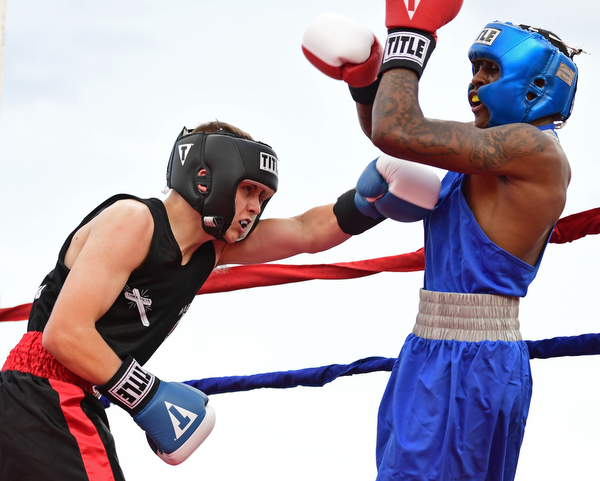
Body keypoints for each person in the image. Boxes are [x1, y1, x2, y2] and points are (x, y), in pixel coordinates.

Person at [0, 119, 444, 480]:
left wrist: (370, 202)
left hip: (68, 398)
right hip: (43, 392)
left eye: (263, 197)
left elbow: (307, 232)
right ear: (207, 176)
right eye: (249, 189)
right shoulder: (133, 220)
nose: (255, 206)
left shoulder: (213, 249)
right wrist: (148, 396)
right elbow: (64, 334)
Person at [302, 2, 583, 480]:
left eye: (490, 70)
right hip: (430, 349)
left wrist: (411, 33)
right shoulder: (489, 153)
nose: (475, 82)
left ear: (536, 85)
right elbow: (387, 132)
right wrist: (366, 83)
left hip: (474, 361)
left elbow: (399, 130)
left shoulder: (533, 151)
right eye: (474, 69)